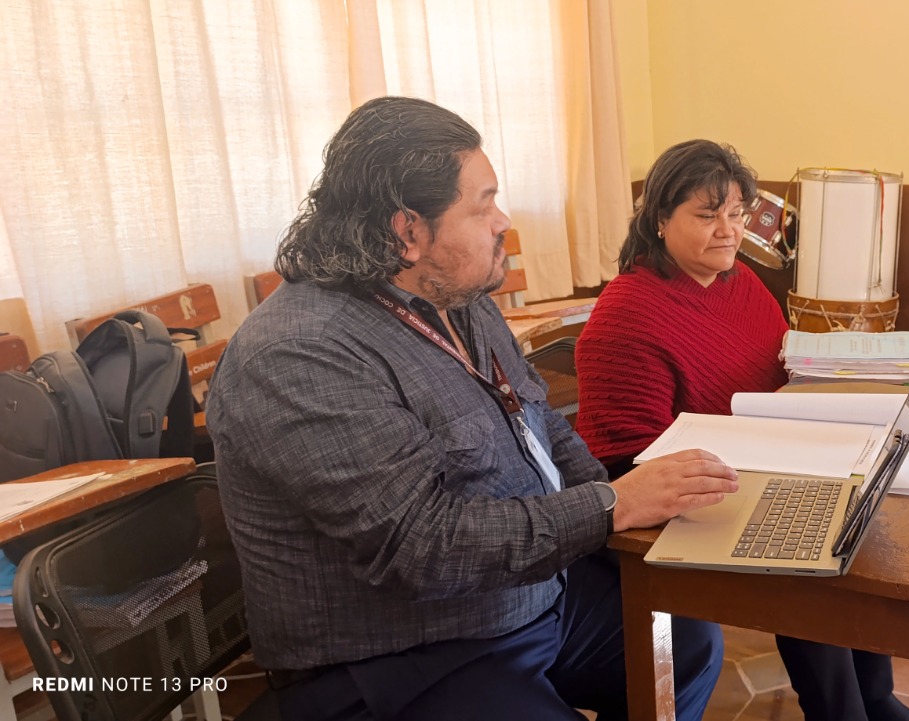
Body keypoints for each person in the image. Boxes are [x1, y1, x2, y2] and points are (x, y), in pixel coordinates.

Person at [207, 97, 739, 721]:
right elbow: (420, 545)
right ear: (408, 231)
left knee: (683, 644)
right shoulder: (301, 352)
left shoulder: (458, 297)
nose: (502, 220)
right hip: (407, 652)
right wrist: (612, 506)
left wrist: (634, 504)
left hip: (529, 597)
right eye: (483, 204)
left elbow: (542, 427)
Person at [575, 139, 909, 721]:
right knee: (807, 543)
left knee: (858, 507)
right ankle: (840, 711)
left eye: (737, 215)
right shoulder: (628, 312)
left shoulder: (739, 284)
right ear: (660, 218)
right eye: (707, 215)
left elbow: (777, 371)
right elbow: (630, 459)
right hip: (667, 495)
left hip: (750, 458)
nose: (728, 232)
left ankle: (875, 695)